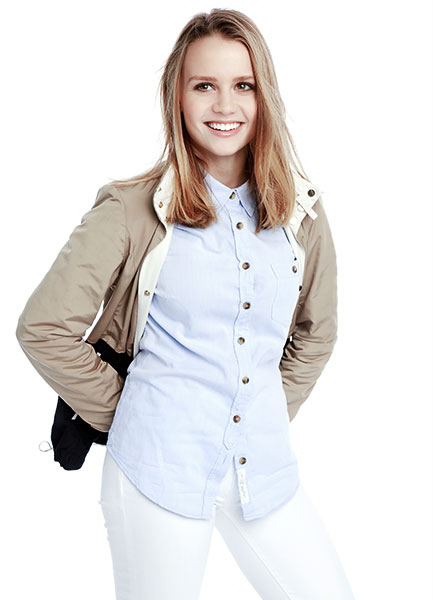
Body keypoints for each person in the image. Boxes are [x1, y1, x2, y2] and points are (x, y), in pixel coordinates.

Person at [16, 8, 356, 600]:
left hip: (264, 471)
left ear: (265, 96)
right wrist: (131, 413)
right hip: (156, 470)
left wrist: (260, 412)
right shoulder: (130, 210)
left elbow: (316, 332)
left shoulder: (301, 211)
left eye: (243, 85)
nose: (225, 105)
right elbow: (43, 328)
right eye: (204, 86)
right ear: (177, 95)